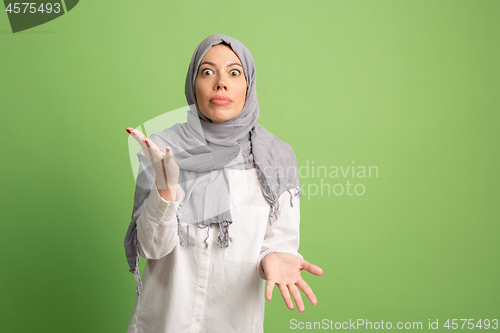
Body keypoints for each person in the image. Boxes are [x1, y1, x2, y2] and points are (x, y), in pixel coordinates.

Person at [124, 34, 323, 333]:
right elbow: (152, 248)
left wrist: (274, 256)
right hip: (165, 322)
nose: (221, 83)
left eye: (234, 72)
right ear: (194, 84)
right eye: (207, 72)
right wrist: (166, 186)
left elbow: (278, 240)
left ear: (249, 85)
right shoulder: (162, 149)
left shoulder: (275, 157)